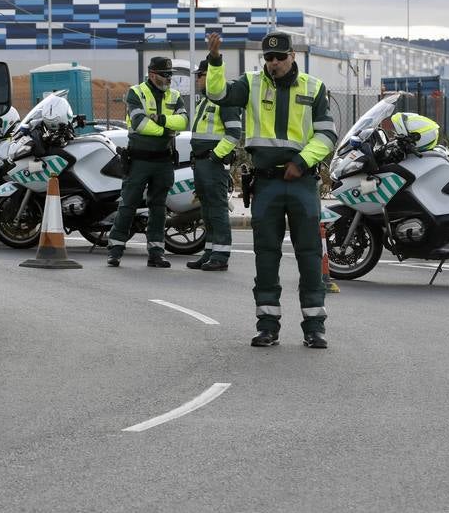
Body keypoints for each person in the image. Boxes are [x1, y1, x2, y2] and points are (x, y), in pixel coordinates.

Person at [205, 30, 338, 348]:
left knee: (308, 256)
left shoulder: (314, 87)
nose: (274, 63)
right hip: (265, 183)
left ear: (293, 56)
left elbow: (327, 136)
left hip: (302, 182)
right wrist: (214, 60)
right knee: (266, 257)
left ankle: (314, 327)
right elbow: (218, 94)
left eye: (280, 57)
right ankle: (267, 325)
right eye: (269, 57)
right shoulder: (251, 84)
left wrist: (303, 161)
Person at [106, 55, 187, 268]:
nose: (169, 78)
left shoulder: (175, 95)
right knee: (128, 204)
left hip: (163, 160)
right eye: (165, 74)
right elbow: (140, 124)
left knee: (159, 207)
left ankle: (156, 252)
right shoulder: (136, 92)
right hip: (139, 159)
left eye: (170, 74)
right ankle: (115, 249)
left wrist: (161, 121)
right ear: (152, 74)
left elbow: (184, 121)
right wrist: (167, 130)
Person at [185, 59, 242, 271]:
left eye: (199, 75)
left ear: (209, 76)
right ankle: (209, 252)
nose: (197, 80)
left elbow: (234, 134)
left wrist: (215, 157)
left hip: (212, 163)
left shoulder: (225, 100)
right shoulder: (205, 100)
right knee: (207, 210)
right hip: (202, 162)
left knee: (217, 209)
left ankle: (221, 254)